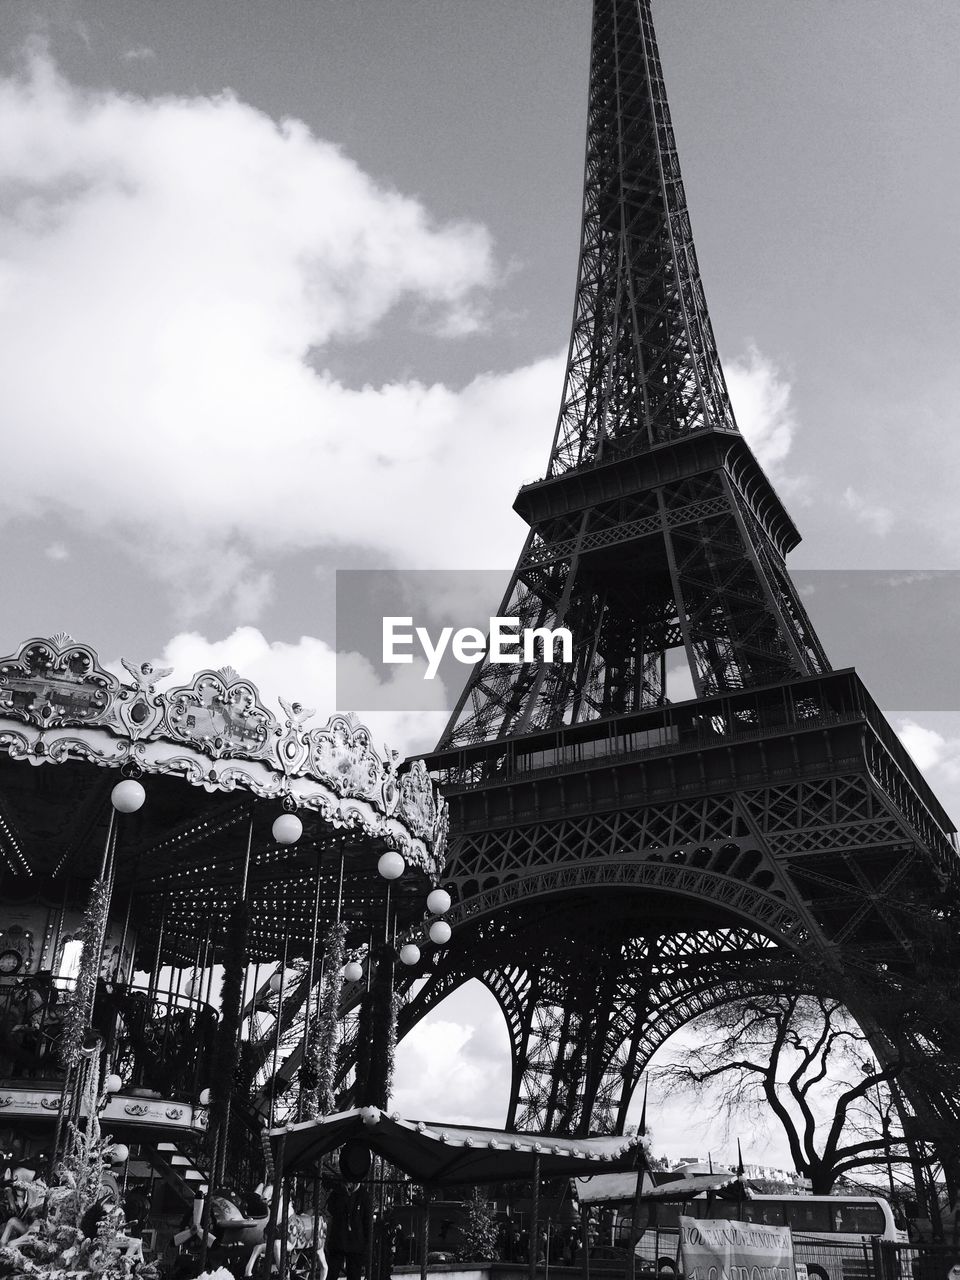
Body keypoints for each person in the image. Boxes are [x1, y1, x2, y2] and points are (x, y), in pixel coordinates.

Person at [325, 1179, 371, 1280]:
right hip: (338, 1241)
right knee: (332, 1272)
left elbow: (367, 1223)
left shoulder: (364, 1196)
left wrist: (366, 1245)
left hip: (356, 1243)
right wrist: (343, 1194)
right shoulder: (337, 1193)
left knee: (354, 1274)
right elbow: (332, 1210)